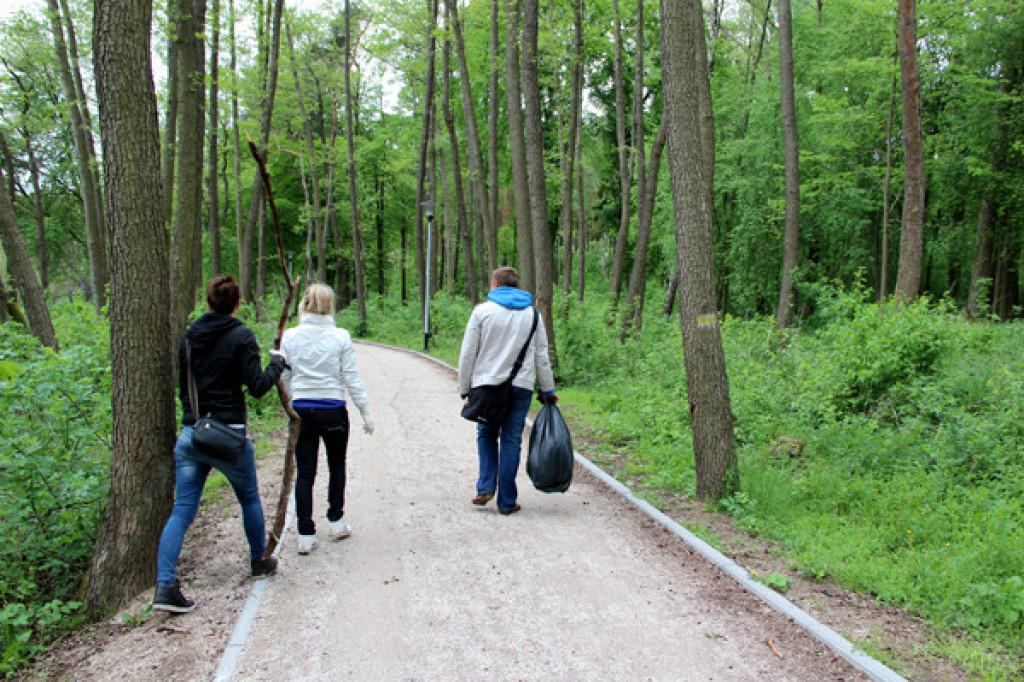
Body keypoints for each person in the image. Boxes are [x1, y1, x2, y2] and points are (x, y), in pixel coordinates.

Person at [153, 275, 287, 613]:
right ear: (237, 304)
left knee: (182, 509)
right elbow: (256, 387)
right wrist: (276, 364)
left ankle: (165, 585)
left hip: (193, 434)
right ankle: (259, 560)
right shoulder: (241, 335)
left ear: (208, 302)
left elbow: (185, 386)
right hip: (229, 437)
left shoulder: (188, 338)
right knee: (249, 499)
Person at [280, 283, 375, 555]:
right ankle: (335, 520)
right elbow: (351, 378)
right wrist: (365, 412)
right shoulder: (341, 336)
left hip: (301, 410)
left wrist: (292, 400)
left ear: (305, 304)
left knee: (305, 471)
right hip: (333, 408)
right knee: (337, 465)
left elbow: (284, 377)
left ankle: (305, 533)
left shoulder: (290, 336)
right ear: (330, 307)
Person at [457, 266, 557, 515]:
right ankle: (507, 501)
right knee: (511, 440)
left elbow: (468, 352)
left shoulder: (482, 312)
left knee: (486, 434)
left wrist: (464, 386)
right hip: (520, 386)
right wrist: (548, 389)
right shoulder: (533, 315)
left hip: (487, 385)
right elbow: (541, 356)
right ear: (514, 285)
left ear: (494, 284)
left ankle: (485, 487)